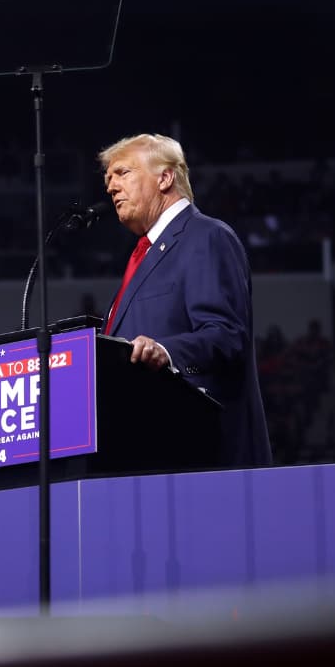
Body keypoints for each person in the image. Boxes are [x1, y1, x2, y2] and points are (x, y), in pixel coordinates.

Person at [99, 133, 272, 467]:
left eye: (122, 173)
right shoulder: (143, 255)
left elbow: (226, 336)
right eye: (108, 179)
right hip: (145, 455)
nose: (111, 187)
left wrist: (166, 352)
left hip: (202, 458)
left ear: (165, 178)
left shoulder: (206, 237)